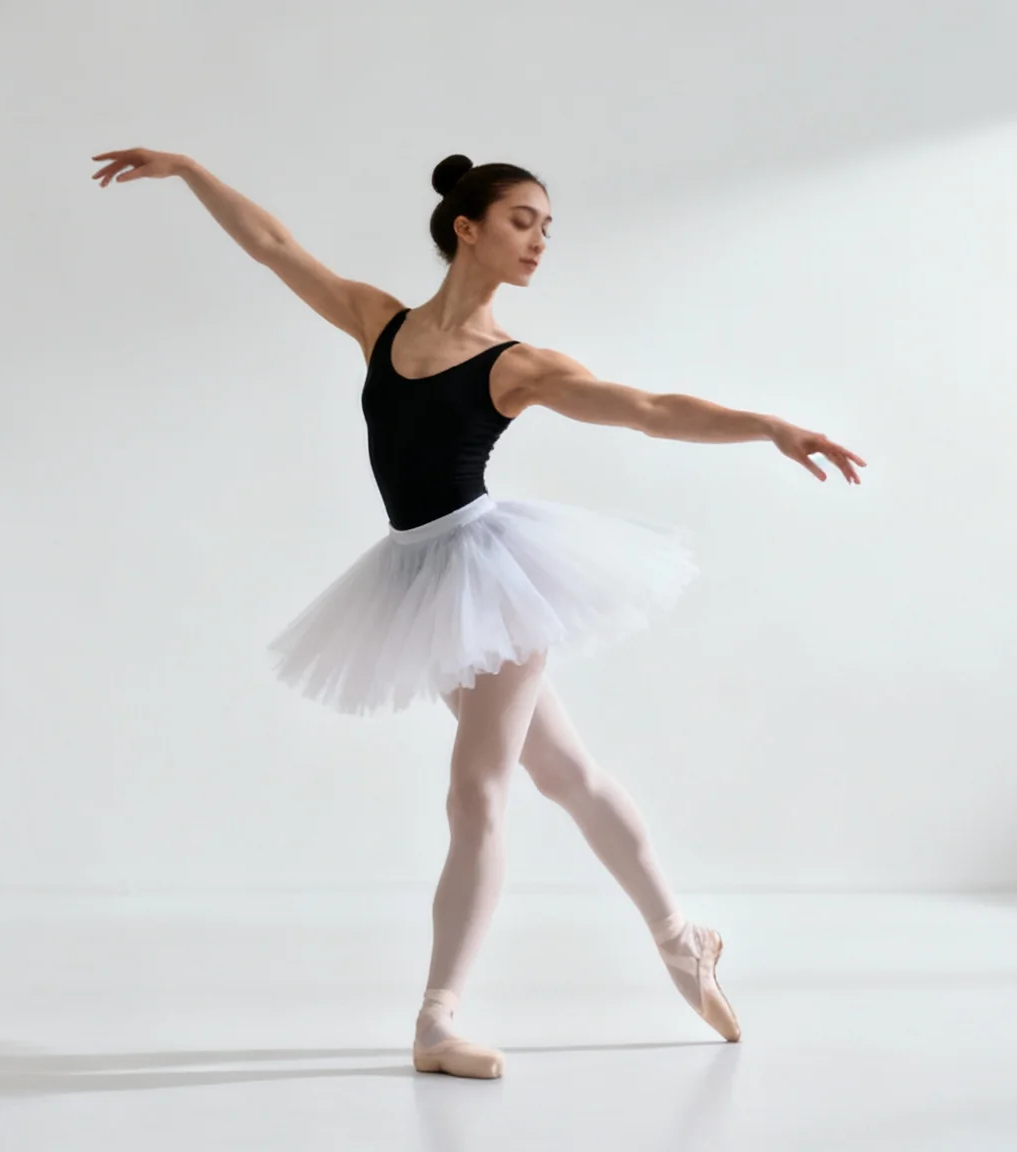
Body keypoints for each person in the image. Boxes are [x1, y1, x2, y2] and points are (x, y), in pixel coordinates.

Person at [89, 147, 866, 1079]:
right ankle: (681, 935)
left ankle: (438, 1017)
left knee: (476, 791)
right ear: (468, 227)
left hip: (489, 571)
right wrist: (186, 170)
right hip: (419, 576)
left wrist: (769, 426)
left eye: (546, 227)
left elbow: (652, 409)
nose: (540, 241)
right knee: (567, 773)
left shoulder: (517, 366)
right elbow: (273, 245)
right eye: (523, 221)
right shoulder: (378, 322)